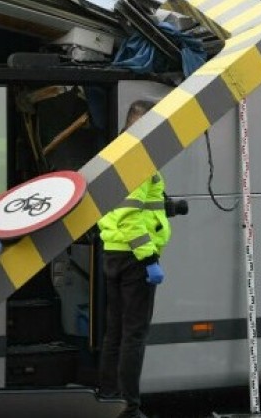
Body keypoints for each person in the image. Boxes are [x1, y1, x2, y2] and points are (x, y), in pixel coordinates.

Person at [98, 100, 172, 418]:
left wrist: (168, 208)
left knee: (115, 331)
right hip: (134, 258)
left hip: (113, 253)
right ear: (137, 124)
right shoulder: (137, 160)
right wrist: (149, 259)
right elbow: (130, 217)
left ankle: (108, 396)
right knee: (134, 335)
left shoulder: (113, 156)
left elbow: (126, 208)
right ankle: (129, 407)